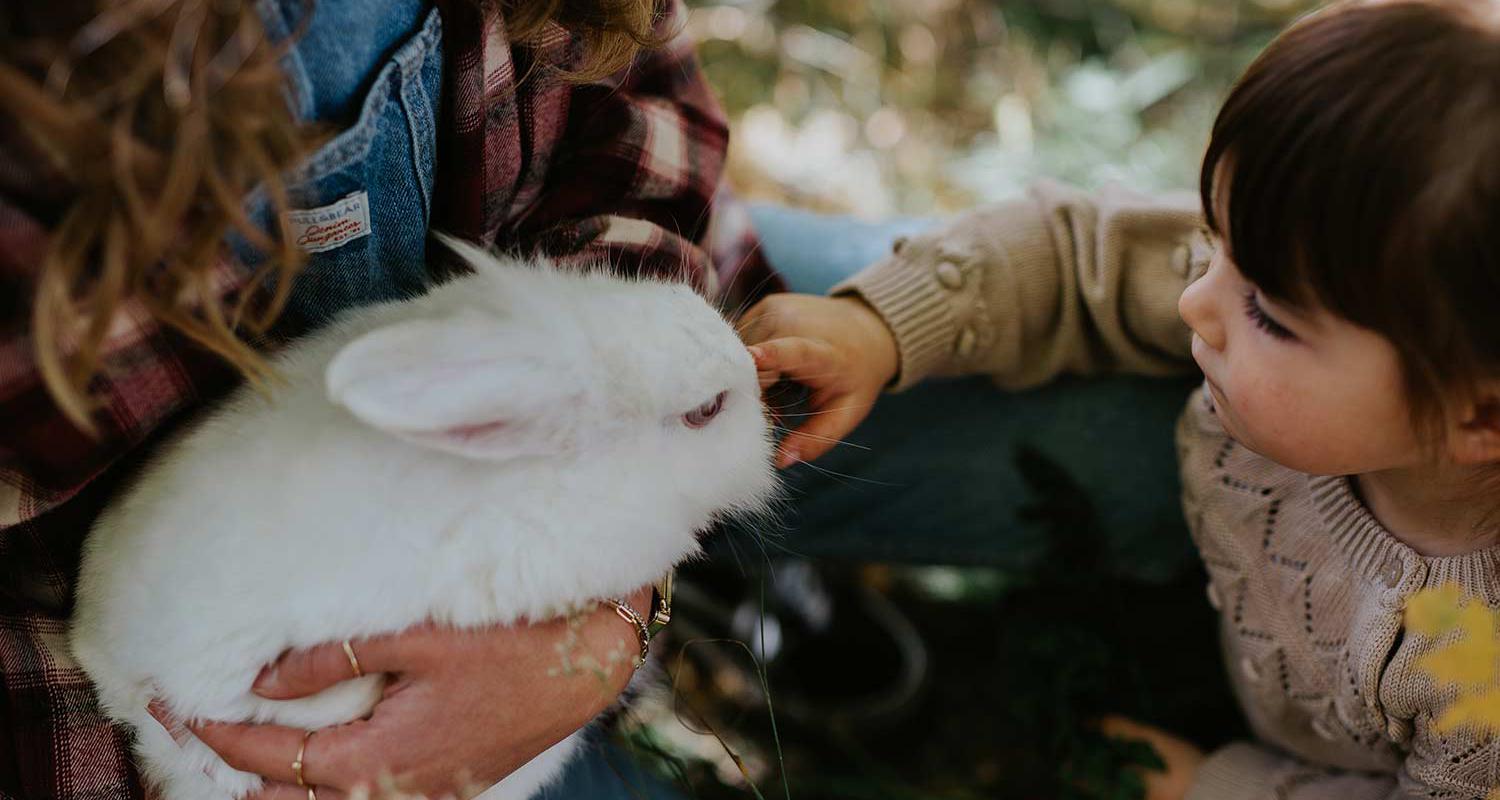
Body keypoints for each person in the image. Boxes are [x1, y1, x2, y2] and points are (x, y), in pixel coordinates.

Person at [0, 0, 776, 796]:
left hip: (647, 309)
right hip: (193, 720)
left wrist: (609, 629)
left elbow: (638, 119)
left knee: (885, 402)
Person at [741, 0, 1500, 797]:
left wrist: (1210, 784)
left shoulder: (1478, 675)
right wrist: (881, 328)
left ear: (1480, 416)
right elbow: (1073, 255)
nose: (1195, 302)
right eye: (1213, 245)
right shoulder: (1301, 261)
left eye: (1268, 315)